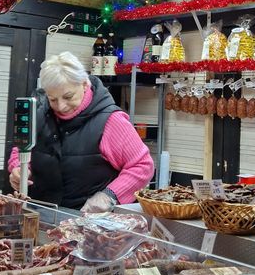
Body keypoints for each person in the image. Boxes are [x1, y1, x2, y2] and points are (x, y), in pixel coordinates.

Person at [8, 51, 154, 212]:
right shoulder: (38, 113)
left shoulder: (111, 121)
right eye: (53, 99)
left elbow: (142, 166)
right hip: (41, 217)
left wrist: (109, 195)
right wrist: (18, 169)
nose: (61, 106)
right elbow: (20, 149)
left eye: (68, 97)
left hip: (88, 222)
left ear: (85, 84)